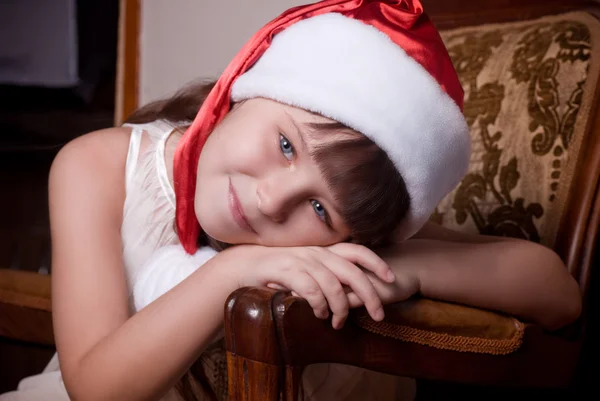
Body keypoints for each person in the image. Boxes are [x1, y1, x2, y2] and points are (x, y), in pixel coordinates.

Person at [0, 1, 582, 400]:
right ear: (246, 87)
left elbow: (556, 293)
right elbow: (96, 388)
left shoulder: (339, 244)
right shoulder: (97, 165)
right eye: (284, 144)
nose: (272, 200)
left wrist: (391, 268)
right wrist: (238, 267)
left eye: (321, 209)